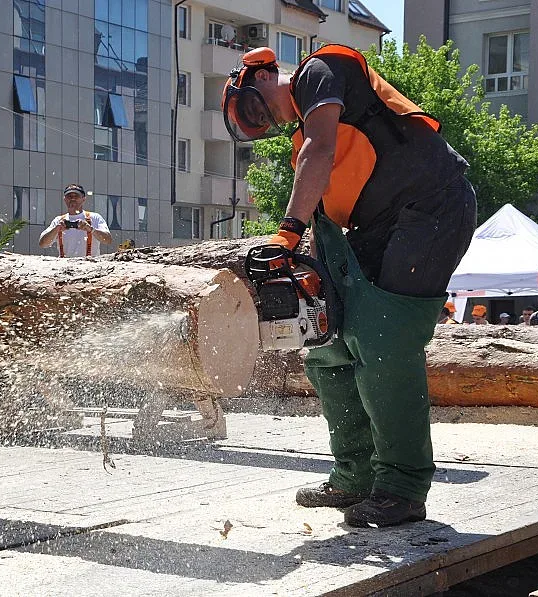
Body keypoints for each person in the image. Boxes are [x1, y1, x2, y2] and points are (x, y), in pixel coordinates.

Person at [222, 45, 477, 527]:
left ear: (262, 73)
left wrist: (285, 232)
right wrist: (310, 277)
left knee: (385, 340)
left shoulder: (320, 72)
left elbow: (323, 150)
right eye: (253, 123)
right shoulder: (304, 144)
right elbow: (323, 216)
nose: (265, 119)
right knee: (327, 346)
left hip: (432, 205)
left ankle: (402, 487)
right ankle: (355, 475)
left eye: (254, 108)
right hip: (374, 227)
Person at [39, 184, 112, 257]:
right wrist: (56, 229)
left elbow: (108, 240)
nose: (72, 199)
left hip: (89, 265)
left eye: (76, 196)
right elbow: (43, 244)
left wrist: (91, 229)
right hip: (64, 265)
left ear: (83, 199)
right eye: (69, 196)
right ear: (65, 199)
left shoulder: (95, 217)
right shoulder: (58, 220)